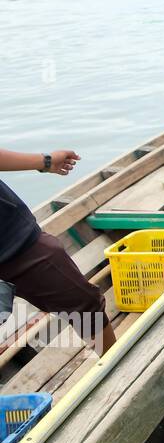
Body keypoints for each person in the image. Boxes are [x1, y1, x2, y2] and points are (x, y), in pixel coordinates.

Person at [0, 147, 116, 355]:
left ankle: (114, 364)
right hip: (13, 240)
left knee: (83, 304)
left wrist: (45, 161)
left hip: (13, 240)